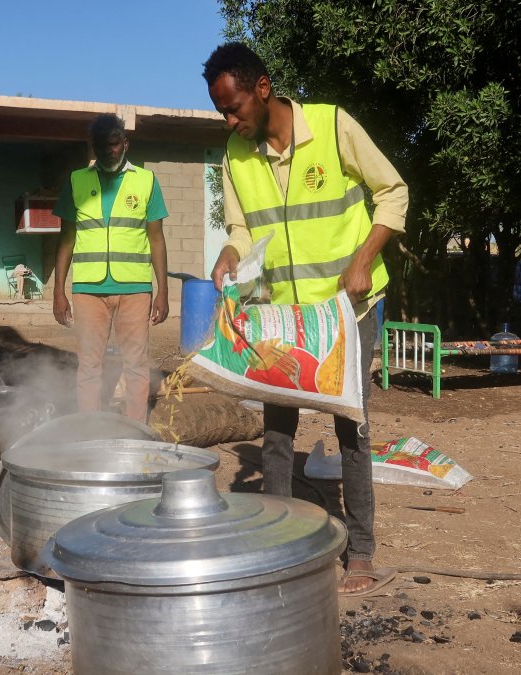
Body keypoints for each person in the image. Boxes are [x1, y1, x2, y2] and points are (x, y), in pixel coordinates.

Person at [202, 42, 410, 595]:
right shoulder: (235, 153)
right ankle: (280, 543)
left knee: (352, 425)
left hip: (348, 308)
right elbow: (244, 230)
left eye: (235, 106)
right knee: (277, 430)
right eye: (222, 110)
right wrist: (230, 251)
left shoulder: (332, 126)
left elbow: (393, 191)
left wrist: (364, 259)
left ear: (263, 88)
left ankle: (361, 551)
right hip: (284, 317)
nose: (230, 119)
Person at [52, 113, 169, 424]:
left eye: (115, 144)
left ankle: (135, 429)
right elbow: (65, 239)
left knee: (136, 363)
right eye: (102, 146)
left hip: (135, 288)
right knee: (89, 364)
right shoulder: (77, 181)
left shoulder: (146, 181)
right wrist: (58, 292)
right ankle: (89, 428)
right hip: (88, 289)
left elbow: (156, 239)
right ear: (94, 147)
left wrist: (163, 292)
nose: (109, 151)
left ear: (125, 144)